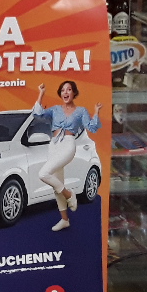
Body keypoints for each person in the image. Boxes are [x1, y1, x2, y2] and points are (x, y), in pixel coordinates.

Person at [32, 81, 102, 232]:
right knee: (57, 184)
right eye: (63, 90)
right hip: (53, 145)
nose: (65, 92)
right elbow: (37, 114)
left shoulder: (81, 111)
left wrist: (96, 112)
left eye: (69, 89)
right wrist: (41, 93)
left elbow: (92, 127)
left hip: (68, 144)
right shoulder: (55, 109)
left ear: (74, 93)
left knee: (43, 173)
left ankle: (69, 194)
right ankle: (65, 220)